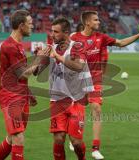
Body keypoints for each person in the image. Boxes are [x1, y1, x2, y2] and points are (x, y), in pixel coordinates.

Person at [71, 11, 139, 159]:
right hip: (78, 80)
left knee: (96, 109)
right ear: (87, 23)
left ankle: (95, 148)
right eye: (95, 20)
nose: (99, 22)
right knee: (77, 112)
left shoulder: (101, 38)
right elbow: (59, 47)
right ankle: (74, 137)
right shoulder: (74, 37)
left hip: (95, 80)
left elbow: (121, 43)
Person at [35, 17, 93, 160]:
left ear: (66, 32)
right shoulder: (50, 48)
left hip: (76, 100)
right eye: (51, 31)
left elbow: (79, 66)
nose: (52, 34)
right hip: (57, 101)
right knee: (59, 139)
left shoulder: (77, 47)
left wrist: (57, 57)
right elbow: (37, 72)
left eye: (56, 32)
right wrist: (39, 58)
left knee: (76, 142)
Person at [0, 10, 42, 160]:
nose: (32, 26)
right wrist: (39, 58)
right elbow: (23, 73)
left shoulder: (19, 46)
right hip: (10, 97)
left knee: (12, 137)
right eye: (30, 23)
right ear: (21, 26)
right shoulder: (10, 46)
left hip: (20, 95)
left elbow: (31, 73)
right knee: (18, 137)